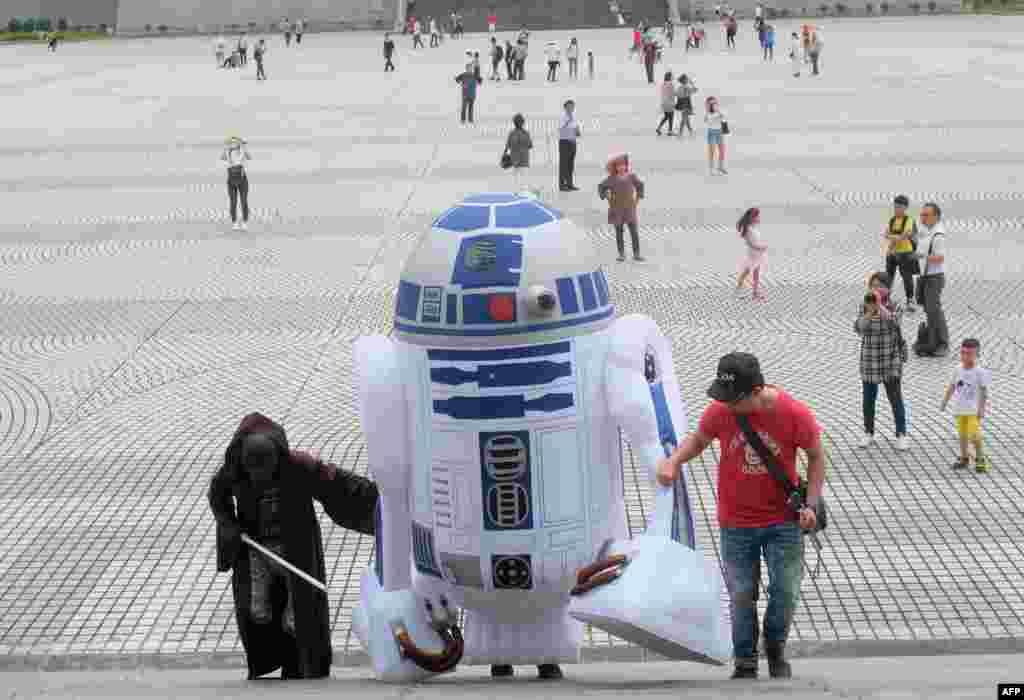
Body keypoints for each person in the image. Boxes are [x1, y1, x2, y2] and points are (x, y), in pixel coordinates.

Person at [657, 352, 824, 680]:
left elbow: (817, 456)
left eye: (734, 399)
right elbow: (699, 439)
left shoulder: (794, 413)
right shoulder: (721, 411)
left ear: (757, 391)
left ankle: (775, 646)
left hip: (783, 521)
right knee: (740, 594)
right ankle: (745, 660)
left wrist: (812, 505)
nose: (727, 406)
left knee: (786, 590)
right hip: (735, 521)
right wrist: (674, 460)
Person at [209, 413, 379, 680]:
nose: (260, 478)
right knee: (256, 610)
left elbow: (337, 484)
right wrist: (229, 524)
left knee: (299, 615)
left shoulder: (299, 465)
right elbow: (217, 495)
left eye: (266, 471)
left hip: (295, 551)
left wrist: (378, 502)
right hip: (255, 549)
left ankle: (299, 666)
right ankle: (267, 660)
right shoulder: (234, 470)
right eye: (254, 472)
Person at [856, 275, 910, 451]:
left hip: (890, 356)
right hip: (870, 357)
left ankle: (901, 434)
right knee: (868, 398)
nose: (875, 290)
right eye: (872, 286)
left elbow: (894, 322)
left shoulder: (895, 305)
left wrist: (880, 306)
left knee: (895, 397)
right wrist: (870, 311)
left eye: (879, 286)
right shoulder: (865, 304)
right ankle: (868, 432)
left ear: (888, 288)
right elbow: (858, 328)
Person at [941, 339, 991, 472]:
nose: (965, 356)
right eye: (962, 353)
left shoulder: (980, 372)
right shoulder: (957, 369)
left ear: (977, 354)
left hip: (973, 411)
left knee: (975, 435)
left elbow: (984, 392)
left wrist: (981, 409)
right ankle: (964, 458)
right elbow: (952, 386)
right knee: (962, 435)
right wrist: (945, 402)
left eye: (969, 354)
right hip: (960, 409)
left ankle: (980, 458)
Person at [914, 202, 948, 357]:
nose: (922, 217)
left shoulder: (938, 235)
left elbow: (940, 258)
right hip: (924, 275)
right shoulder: (925, 230)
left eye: (926, 215)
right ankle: (931, 339)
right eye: (922, 214)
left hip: (934, 277)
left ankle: (942, 343)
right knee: (928, 308)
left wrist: (923, 256)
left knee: (934, 310)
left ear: (936, 216)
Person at [598, 153, 645, 262]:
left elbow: (640, 185)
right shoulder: (611, 178)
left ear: (626, 166)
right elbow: (601, 187)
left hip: (630, 209)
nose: (621, 168)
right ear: (615, 167)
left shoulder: (631, 177)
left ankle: (636, 253)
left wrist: (638, 198)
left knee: (633, 231)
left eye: (623, 165)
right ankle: (621, 253)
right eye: (619, 166)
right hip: (616, 209)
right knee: (619, 232)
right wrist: (606, 196)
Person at [883, 195, 918, 310]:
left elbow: (905, 234)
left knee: (906, 277)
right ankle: (885, 299)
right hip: (892, 253)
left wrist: (893, 237)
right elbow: (886, 235)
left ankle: (910, 300)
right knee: (888, 278)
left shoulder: (909, 220)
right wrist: (890, 247)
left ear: (905, 208)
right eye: (895, 207)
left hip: (905, 253)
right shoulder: (892, 220)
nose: (896, 209)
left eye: (899, 207)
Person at [736, 208, 767, 300]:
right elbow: (749, 243)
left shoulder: (752, 228)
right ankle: (738, 291)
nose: (759, 218)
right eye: (757, 216)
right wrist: (760, 247)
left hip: (757, 254)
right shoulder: (748, 229)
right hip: (753, 255)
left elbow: (755, 240)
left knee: (755, 274)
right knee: (746, 273)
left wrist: (760, 247)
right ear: (752, 218)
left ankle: (755, 293)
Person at [222, 136, 251, 230]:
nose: (234, 144)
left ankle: (244, 221)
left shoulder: (242, 151)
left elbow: (249, 157)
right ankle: (234, 222)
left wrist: (244, 147)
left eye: (236, 143)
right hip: (231, 179)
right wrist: (226, 147)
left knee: (244, 201)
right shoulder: (228, 152)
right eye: (232, 143)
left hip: (242, 180)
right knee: (233, 202)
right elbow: (222, 157)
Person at [504, 113, 533, 192]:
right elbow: (530, 145)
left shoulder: (512, 133)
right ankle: (523, 192)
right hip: (523, 159)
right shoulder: (526, 133)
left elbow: (507, 145)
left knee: (516, 178)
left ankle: (517, 192)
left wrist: (505, 154)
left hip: (515, 159)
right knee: (523, 178)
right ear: (522, 123)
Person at [558, 100, 581, 192]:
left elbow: (575, 127)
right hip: (564, 142)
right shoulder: (562, 117)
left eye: (573, 106)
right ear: (565, 107)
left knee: (570, 165)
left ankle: (570, 184)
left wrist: (577, 131)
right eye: (569, 106)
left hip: (572, 142)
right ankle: (562, 185)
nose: (571, 108)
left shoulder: (574, 117)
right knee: (563, 164)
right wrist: (568, 121)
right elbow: (560, 128)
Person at [704, 96, 727, 175]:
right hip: (712, 132)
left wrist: (720, 114)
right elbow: (708, 121)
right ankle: (711, 168)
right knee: (712, 151)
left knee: (722, 150)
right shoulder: (708, 113)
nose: (715, 104)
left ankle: (720, 167)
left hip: (719, 132)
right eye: (713, 103)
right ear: (709, 105)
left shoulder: (719, 111)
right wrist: (716, 115)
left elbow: (723, 119)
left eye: (716, 102)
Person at [656, 71, 676, 135]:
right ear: (670, 77)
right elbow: (673, 93)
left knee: (666, 116)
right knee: (671, 116)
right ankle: (670, 131)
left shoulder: (663, 84)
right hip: (669, 102)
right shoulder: (671, 84)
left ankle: (659, 128)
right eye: (671, 76)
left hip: (664, 102)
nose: (672, 77)